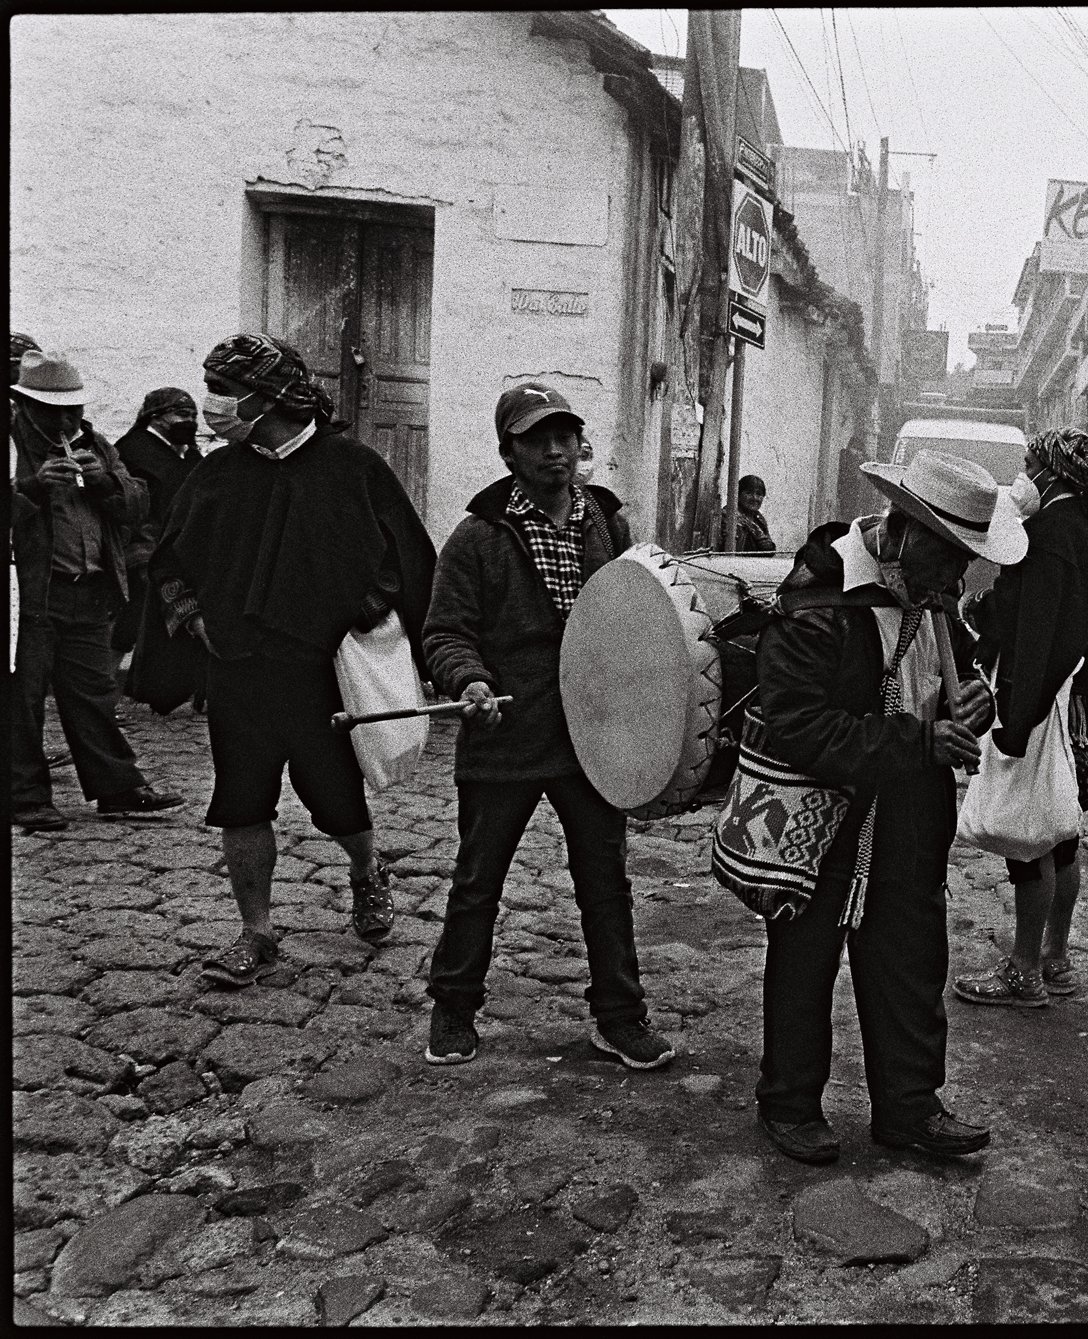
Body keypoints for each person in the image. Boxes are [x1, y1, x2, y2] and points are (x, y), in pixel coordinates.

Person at [752, 449, 1020, 1166]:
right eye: (950, 556)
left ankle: (908, 1105)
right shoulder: (819, 601)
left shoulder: (929, 594)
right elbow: (796, 725)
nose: (959, 579)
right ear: (902, 533)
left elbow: (955, 679)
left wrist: (977, 701)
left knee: (910, 954)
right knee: (805, 960)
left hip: (905, 813)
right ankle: (789, 1101)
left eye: (967, 559)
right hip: (823, 816)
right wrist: (920, 737)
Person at [151, 334, 436, 986]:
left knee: (334, 798)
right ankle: (256, 932)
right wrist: (193, 618)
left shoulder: (352, 467)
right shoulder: (218, 472)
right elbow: (169, 560)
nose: (213, 404)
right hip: (239, 672)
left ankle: (366, 869)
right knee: (240, 800)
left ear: (268, 396)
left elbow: (407, 563)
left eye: (225, 390)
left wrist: (366, 611)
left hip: (320, 676)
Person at [420, 384, 673, 1070]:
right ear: (509, 451)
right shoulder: (478, 535)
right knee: (479, 879)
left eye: (565, 435)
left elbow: (637, 614)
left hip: (593, 738)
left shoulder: (608, 524)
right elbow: (444, 632)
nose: (556, 450)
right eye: (538, 439)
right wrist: (468, 679)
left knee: (605, 881)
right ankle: (453, 1006)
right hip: (507, 733)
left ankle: (620, 1017)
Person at [952, 428, 1088, 1008]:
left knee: (1028, 839)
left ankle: (1023, 971)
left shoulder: (1051, 531)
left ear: (1049, 471)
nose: (1023, 475)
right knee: (1062, 836)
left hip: (1043, 707)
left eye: (1029, 465)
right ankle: (1055, 959)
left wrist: (1015, 719)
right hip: (1078, 708)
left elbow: (1035, 635)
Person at [10, 351, 184, 833]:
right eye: (52, 410)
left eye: (74, 410)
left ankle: (117, 788)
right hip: (30, 595)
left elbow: (137, 503)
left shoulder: (97, 444)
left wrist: (105, 481)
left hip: (89, 592)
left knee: (93, 693)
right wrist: (31, 487)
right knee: (22, 699)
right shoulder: (11, 445)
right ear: (23, 405)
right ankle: (26, 797)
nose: (66, 420)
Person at [111, 388, 203, 661]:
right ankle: (100, 698)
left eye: (193, 416)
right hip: (145, 556)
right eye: (182, 414)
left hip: (181, 554)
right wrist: (143, 555)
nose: (190, 422)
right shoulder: (134, 451)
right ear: (155, 417)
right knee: (127, 628)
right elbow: (129, 509)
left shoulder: (188, 455)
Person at [735, 473, 777, 554]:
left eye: (759, 494)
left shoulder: (759, 519)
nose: (754, 498)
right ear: (738, 495)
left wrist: (762, 539)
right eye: (749, 493)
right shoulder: (728, 516)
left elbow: (769, 551)